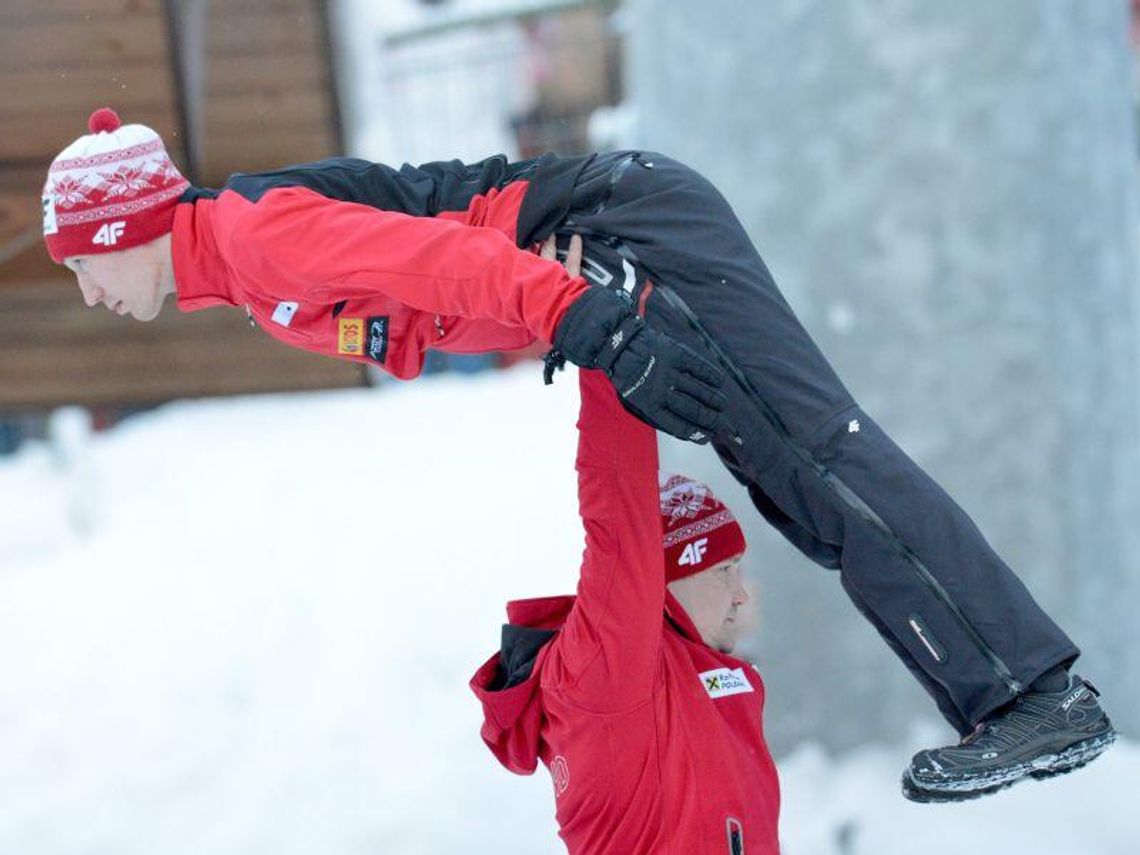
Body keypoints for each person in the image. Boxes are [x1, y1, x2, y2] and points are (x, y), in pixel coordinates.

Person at [41, 107, 1115, 801]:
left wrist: (573, 313)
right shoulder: (252, 283)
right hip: (605, 250)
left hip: (630, 227)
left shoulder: (251, 236)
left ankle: (1033, 695)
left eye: (82, 265)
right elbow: (420, 317)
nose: (88, 292)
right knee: (795, 475)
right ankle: (1014, 697)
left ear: (124, 230)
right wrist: (551, 311)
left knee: (815, 453)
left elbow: (443, 256)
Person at [470, 368, 780, 854]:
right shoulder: (611, 668)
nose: (741, 595)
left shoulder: (708, 675)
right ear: (661, 582)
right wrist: (613, 359)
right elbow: (619, 507)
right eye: (723, 571)